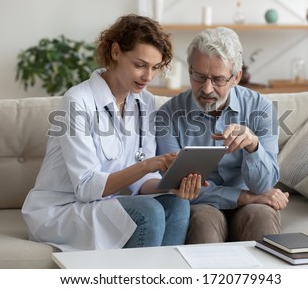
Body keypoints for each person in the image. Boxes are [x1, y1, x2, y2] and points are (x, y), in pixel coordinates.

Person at [22, 14, 204, 252]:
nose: (148, 77)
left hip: (106, 205)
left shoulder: (145, 102)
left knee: (177, 205)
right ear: (116, 52)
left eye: (155, 68)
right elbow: (87, 188)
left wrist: (171, 185)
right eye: (140, 65)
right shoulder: (77, 102)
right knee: (147, 212)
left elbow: (141, 182)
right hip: (63, 209)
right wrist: (151, 164)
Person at [156, 27, 289, 244]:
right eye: (199, 76)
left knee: (262, 216)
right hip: (202, 205)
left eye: (218, 79)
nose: (207, 89)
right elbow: (175, 186)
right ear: (189, 70)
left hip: (251, 205)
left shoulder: (260, 108)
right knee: (203, 221)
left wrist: (253, 146)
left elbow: (263, 186)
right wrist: (244, 197)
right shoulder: (168, 115)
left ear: (236, 77)